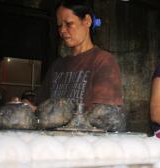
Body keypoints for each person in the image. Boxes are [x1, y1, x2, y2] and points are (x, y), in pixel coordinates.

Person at [35, 0, 125, 131]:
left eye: (69, 24)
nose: (62, 30)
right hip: (54, 144)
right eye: (59, 25)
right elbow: (41, 107)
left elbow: (104, 117)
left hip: (86, 144)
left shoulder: (103, 61)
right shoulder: (57, 65)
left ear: (87, 21)